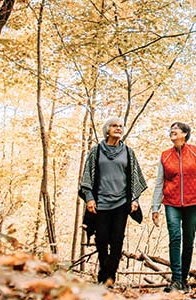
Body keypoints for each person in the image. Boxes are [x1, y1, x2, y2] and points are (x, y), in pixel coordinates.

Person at [78, 117, 147, 286]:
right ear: (107, 130)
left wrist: (134, 199)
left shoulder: (128, 152)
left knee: (117, 240)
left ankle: (109, 277)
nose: (118, 128)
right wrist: (89, 198)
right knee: (101, 239)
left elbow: (135, 178)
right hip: (100, 202)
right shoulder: (96, 151)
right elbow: (87, 176)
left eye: (120, 126)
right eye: (114, 126)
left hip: (121, 203)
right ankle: (104, 271)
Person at [152, 122, 196, 292]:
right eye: (171, 129)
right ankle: (175, 280)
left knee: (188, 241)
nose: (172, 131)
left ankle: (183, 279)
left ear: (185, 133)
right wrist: (155, 207)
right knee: (175, 238)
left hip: (192, 202)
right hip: (171, 203)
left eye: (176, 129)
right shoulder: (165, 156)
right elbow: (159, 183)